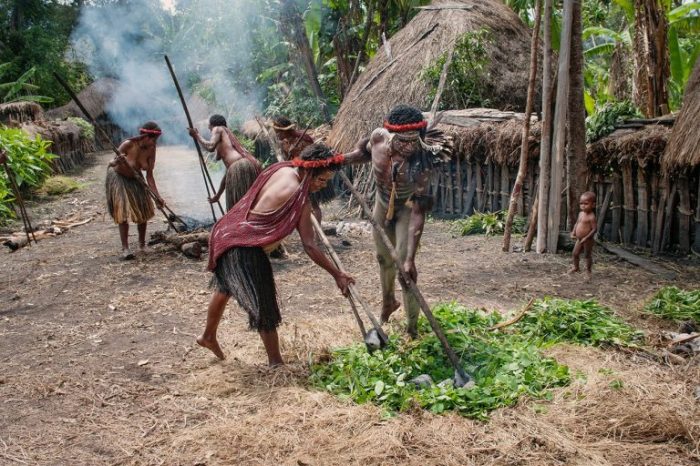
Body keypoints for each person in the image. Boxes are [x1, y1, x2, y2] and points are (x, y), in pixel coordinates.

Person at [198, 143, 355, 364]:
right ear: (308, 171)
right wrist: (337, 274)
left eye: (327, 181)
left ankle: (207, 336)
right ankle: (276, 363)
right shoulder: (299, 198)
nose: (323, 185)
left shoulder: (283, 169)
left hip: (230, 232)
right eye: (321, 180)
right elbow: (310, 245)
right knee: (264, 304)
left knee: (224, 286)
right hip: (246, 247)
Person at [344, 104, 452, 337]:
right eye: (403, 141)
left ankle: (412, 328)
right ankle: (388, 302)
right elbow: (362, 153)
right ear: (391, 135)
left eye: (414, 141)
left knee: (406, 270)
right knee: (383, 258)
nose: (409, 147)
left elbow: (418, 211)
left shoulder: (422, 163)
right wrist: (340, 161)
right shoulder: (378, 138)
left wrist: (411, 258)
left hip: (407, 209)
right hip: (382, 206)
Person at [106, 121, 165, 260]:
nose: (154, 143)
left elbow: (149, 176)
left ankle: (142, 244)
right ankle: (125, 248)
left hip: (136, 178)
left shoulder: (152, 149)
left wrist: (157, 197)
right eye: (152, 140)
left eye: (155, 140)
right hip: (119, 178)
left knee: (143, 210)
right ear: (145, 136)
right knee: (122, 212)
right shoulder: (128, 144)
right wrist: (116, 161)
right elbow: (112, 162)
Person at [188, 114, 261, 211]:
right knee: (245, 202)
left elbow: (210, 147)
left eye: (209, 125)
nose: (208, 128)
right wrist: (218, 196)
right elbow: (227, 176)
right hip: (244, 165)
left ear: (212, 124)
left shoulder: (217, 128)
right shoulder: (227, 137)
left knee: (237, 203)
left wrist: (197, 136)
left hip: (239, 166)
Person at [569, 191, 598, 277]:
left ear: (593, 205)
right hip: (579, 239)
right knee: (575, 253)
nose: (583, 205)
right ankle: (576, 267)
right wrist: (573, 231)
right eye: (581, 203)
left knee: (587, 255)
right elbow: (577, 223)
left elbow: (594, 229)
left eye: (586, 203)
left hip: (587, 240)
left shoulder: (591, 217)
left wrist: (586, 237)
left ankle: (588, 271)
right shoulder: (581, 214)